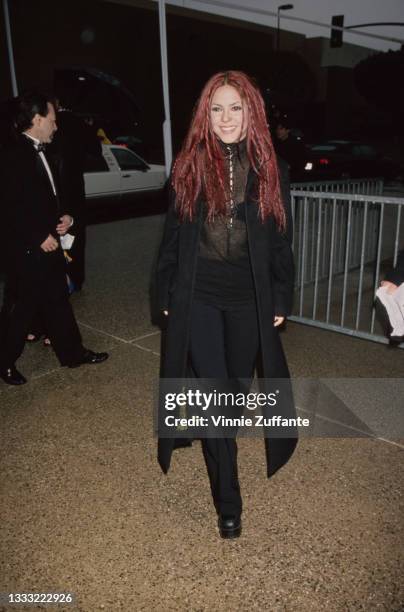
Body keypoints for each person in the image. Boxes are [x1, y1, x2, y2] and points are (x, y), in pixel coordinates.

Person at [155, 71, 297, 539]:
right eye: (217, 108)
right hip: (197, 296)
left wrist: (280, 295)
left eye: (235, 107)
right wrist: (166, 294)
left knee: (233, 390)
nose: (226, 118)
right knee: (217, 399)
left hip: (248, 299)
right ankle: (228, 500)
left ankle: (219, 443)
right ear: (205, 114)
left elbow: (280, 240)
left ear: (251, 111)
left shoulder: (271, 168)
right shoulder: (188, 166)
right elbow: (173, 240)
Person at [0, 91, 108, 386]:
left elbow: (47, 197)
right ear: (37, 120)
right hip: (27, 249)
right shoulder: (12, 154)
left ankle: (72, 354)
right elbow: (8, 206)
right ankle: (4, 362)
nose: (56, 126)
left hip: (48, 242)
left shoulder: (43, 150)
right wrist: (37, 236)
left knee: (57, 301)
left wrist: (66, 218)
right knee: (21, 309)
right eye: (52, 120)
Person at [274, 114, 305, 181]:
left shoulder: (294, 144)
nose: (278, 131)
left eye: (281, 129)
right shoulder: (276, 144)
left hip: (292, 177)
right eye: (277, 129)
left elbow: (298, 161)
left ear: (287, 130)